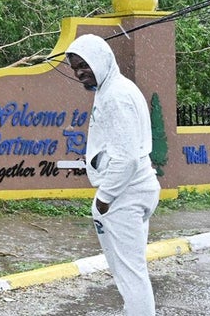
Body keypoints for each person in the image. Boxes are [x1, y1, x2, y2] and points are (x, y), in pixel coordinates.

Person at [65, 34, 160, 316]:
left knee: (130, 275)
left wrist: (104, 199)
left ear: (101, 60)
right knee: (131, 271)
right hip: (135, 188)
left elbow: (126, 156)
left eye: (84, 65)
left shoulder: (116, 96)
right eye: (75, 68)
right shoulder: (113, 89)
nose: (80, 73)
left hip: (123, 194)